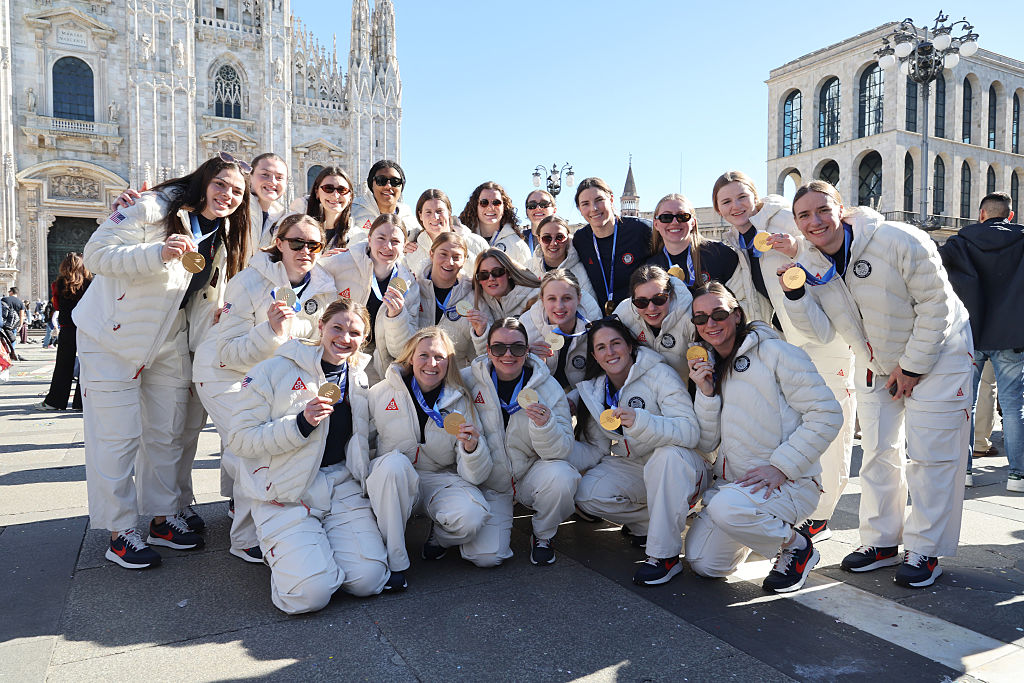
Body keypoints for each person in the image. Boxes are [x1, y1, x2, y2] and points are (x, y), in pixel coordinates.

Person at [781, 180, 974, 588]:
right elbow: (820, 333)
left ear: (842, 209)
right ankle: (882, 541)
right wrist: (794, 296)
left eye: (822, 210)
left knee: (931, 456)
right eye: (804, 215)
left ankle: (926, 548)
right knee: (877, 451)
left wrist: (913, 366)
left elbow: (936, 306)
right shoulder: (811, 262)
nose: (815, 221)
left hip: (940, 355)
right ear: (797, 223)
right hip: (877, 363)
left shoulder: (900, 238)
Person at [74, 154, 252, 569]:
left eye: (237, 192)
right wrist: (157, 253)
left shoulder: (222, 234)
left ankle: (161, 518)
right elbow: (96, 254)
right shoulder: (155, 207)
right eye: (221, 184)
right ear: (204, 180)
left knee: (167, 432)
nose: (227, 195)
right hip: (112, 337)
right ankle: (120, 532)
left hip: (168, 340)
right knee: (117, 437)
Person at [228, 299, 391, 613]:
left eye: (354, 333)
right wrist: (300, 423)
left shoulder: (358, 377)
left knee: (369, 580)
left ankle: (315, 552)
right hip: (286, 491)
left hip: (340, 484)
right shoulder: (274, 369)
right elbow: (239, 439)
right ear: (321, 327)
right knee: (308, 595)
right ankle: (296, 557)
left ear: (364, 339)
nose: (345, 338)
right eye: (337, 328)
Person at [192, 213, 339, 563]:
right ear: (279, 242)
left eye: (314, 244)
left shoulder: (325, 285)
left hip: (272, 377)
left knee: (269, 440)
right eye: (296, 243)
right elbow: (228, 351)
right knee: (253, 446)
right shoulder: (248, 281)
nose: (305, 250)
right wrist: (270, 332)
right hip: (223, 374)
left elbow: (318, 336)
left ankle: (246, 505)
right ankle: (244, 537)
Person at [684, 282, 842, 593]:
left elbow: (826, 413)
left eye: (718, 313)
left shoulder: (776, 352)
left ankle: (797, 546)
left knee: (726, 508)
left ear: (737, 314)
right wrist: (705, 394)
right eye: (700, 319)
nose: (710, 324)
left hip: (788, 482)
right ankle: (758, 528)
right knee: (705, 562)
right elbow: (706, 443)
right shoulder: (711, 366)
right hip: (738, 488)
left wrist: (783, 466)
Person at [573, 316, 707, 586]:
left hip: (682, 465)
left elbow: (690, 431)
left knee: (666, 457)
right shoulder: (596, 389)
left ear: (630, 346)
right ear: (594, 356)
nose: (610, 352)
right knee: (586, 494)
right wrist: (553, 439)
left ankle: (665, 557)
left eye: (616, 343)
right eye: (601, 347)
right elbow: (596, 450)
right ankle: (657, 523)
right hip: (636, 465)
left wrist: (643, 421)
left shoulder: (659, 373)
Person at [366, 327, 492, 581]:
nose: (431, 364)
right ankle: (396, 561)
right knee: (393, 465)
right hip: (394, 478)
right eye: (424, 355)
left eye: (439, 357)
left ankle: (439, 537)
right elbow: (360, 443)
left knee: (472, 517)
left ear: (449, 362)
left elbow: (475, 476)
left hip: (438, 478)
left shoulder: (461, 400)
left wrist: (471, 449)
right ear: (410, 357)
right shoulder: (379, 393)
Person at [466, 318, 578, 565]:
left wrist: (545, 426)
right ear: (487, 349)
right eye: (498, 348)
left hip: (529, 474)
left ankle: (543, 535)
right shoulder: (468, 382)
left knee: (562, 476)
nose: (508, 355)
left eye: (517, 348)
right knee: (486, 557)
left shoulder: (548, 386)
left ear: (527, 351)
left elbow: (563, 450)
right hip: (490, 481)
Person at [939, 190, 1024, 493]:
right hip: (1011, 337)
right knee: (1014, 408)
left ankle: (964, 471)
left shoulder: (960, 242)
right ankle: (1017, 475)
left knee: (966, 405)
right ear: (1009, 215)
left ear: (981, 214)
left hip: (970, 335)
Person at [327, 214, 419, 384]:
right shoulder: (340, 263)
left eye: (395, 241)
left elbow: (401, 350)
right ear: (369, 239)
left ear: (404, 245)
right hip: (337, 356)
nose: (387, 246)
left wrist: (396, 317)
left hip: (378, 366)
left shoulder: (409, 283)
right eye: (381, 238)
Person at [711, 171, 800, 324]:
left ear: (755, 197)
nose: (736, 206)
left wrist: (797, 248)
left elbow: (823, 252)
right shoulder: (735, 244)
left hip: (816, 324)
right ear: (719, 210)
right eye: (726, 202)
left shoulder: (784, 219)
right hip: (782, 330)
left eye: (742, 197)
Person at [571, 177, 652, 314]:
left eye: (599, 200)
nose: (594, 209)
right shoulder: (580, 239)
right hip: (602, 321)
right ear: (579, 209)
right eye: (585, 204)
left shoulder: (640, 230)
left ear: (611, 199)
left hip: (641, 317)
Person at [520, 269, 600, 407]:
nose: (559, 306)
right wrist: (524, 357)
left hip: (583, 401)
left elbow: (601, 375)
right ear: (542, 300)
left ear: (579, 298)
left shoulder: (594, 326)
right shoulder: (525, 327)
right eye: (552, 299)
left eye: (567, 298)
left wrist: (575, 398)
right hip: (539, 403)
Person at [613, 265, 694, 378]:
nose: (651, 308)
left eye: (659, 299)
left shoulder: (690, 317)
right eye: (642, 302)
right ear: (632, 300)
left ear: (670, 295)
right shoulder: (623, 314)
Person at [644, 193, 738, 290]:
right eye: (666, 217)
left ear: (693, 222)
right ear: (656, 224)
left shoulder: (720, 254)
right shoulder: (650, 267)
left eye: (682, 216)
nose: (675, 222)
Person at [413, 232, 478, 366]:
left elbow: (477, 353)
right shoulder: (414, 288)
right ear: (431, 254)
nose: (449, 262)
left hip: (455, 375)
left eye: (456, 257)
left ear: (464, 261)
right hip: (417, 373)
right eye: (443, 254)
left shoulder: (473, 296)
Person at [37, 253, 91, 411]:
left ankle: (55, 401)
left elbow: (57, 306)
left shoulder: (59, 284)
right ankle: (82, 403)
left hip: (67, 329)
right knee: (86, 366)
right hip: (85, 329)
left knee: (63, 366)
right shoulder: (90, 283)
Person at [468, 249, 540, 355]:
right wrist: (481, 333)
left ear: (509, 273)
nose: (491, 278)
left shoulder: (535, 298)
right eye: (484, 275)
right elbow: (486, 357)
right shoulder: (480, 302)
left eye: (497, 272)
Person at [404, 189, 487, 274]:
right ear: (420, 215)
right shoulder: (411, 252)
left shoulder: (476, 243)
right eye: (428, 212)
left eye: (439, 211)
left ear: (449, 212)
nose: (435, 217)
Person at [526, 215, 597, 303]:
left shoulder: (582, 271)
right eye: (547, 238)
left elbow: (591, 311)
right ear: (539, 239)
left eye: (559, 237)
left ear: (567, 238)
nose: (553, 243)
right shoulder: (527, 269)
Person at [458, 182, 531, 265]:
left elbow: (527, 276)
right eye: (484, 202)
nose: (490, 207)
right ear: (476, 206)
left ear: (504, 206)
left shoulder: (517, 245)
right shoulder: (462, 239)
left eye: (496, 202)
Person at [350, 160, 416, 237]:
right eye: (381, 180)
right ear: (371, 184)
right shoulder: (352, 211)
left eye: (395, 181)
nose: (388, 186)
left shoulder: (410, 221)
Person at [305, 166, 356, 250]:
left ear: (350, 196)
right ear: (317, 192)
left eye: (342, 190)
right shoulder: (298, 227)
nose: (335, 195)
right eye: (328, 188)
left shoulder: (356, 236)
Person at [248, 152, 288, 251]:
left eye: (279, 177)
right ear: (249, 177)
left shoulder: (282, 219)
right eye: (265, 174)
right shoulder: (233, 209)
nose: (273, 182)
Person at [2, 287, 25, 361]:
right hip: (14, 324)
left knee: (4, 339)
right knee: (13, 339)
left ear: (11, 292)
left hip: (4, 323)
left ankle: (5, 354)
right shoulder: (20, 302)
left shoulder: (4, 299)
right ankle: (12, 353)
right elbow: (22, 315)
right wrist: (20, 325)